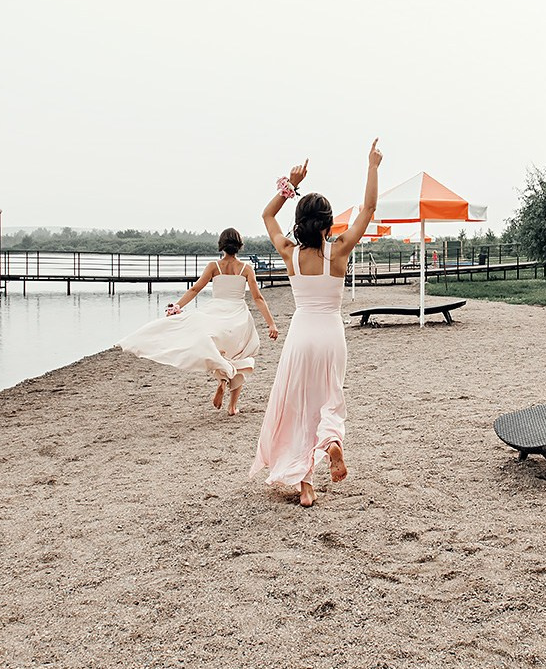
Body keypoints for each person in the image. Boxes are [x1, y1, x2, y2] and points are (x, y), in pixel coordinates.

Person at [250, 141, 382, 507]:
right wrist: (372, 165)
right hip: (331, 335)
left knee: (299, 407)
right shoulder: (337, 251)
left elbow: (267, 216)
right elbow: (369, 209)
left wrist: (290, 186)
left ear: (300, 222)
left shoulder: (290, 253)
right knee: (329, 398)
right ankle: (332, 441)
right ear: (328, 222)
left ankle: (305, 485)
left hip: (301, 335)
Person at [117, 228, 280, 416]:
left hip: (215, 313)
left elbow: (195, 289)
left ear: (222, 245)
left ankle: (222, 381)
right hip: (238, 316)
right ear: (239, 247)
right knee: (239, 356)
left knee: (218, 351)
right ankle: (232, 406)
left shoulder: (214, 266)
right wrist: (271, 324)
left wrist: (177, 307)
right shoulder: (246, 269)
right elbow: (258, 297)